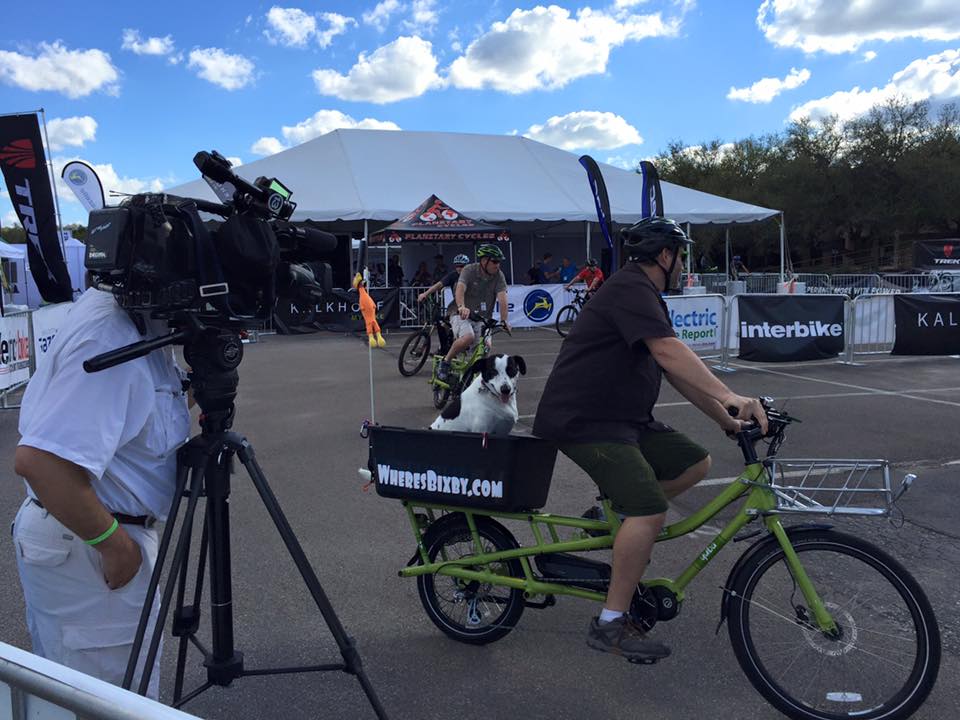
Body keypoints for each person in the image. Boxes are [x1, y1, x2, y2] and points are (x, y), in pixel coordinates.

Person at [533, 217, 767, 663]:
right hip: (585, 422)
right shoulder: (630, 290)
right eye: (683, 257)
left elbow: (675, 371)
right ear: (666, 256)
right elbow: (668, 351)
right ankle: (610, 624)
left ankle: (616, 518)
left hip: (624, 420)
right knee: (649, 509)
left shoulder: (644, 295)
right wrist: (733, 396)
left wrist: (727, 420)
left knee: (695, 463)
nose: (685, 266)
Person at [12, 287, 192, 698]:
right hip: (90, 543)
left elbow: (140, 419)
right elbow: (41, 462)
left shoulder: (139, 320)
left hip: (86, 539)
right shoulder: (113, 334)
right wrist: (115, 547)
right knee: (111, 701)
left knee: (107, 694)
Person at [438, 245, 510, 381]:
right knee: (468, 337)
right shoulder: (469, 270)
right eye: (495, 261)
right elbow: (460, 289)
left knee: (486, 347)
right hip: (460, 313)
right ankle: (445, 362)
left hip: (482, 317)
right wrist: (461, 306)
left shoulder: (499, 275)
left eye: (499, 262)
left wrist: (504, 320)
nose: (498, 265)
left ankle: (474, 379)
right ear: (484, 261)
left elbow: (503, 298)